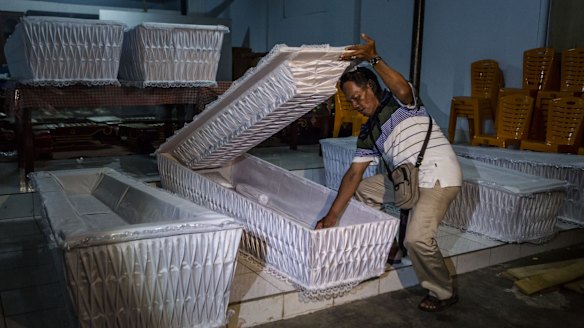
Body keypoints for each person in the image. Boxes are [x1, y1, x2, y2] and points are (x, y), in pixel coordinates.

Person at [316, 33, 463, 312]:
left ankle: (443, 292)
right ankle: (381, 245)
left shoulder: (400, 103)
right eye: (351, 102)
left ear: (371, 86)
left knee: (417, 238)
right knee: (363, 189)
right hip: (409, 178)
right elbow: (353, 175)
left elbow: (404, 89)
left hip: (438, 175)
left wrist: (374, 58)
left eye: (357, 97)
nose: (356, 105)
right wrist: (331, 216)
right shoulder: (368, 131)